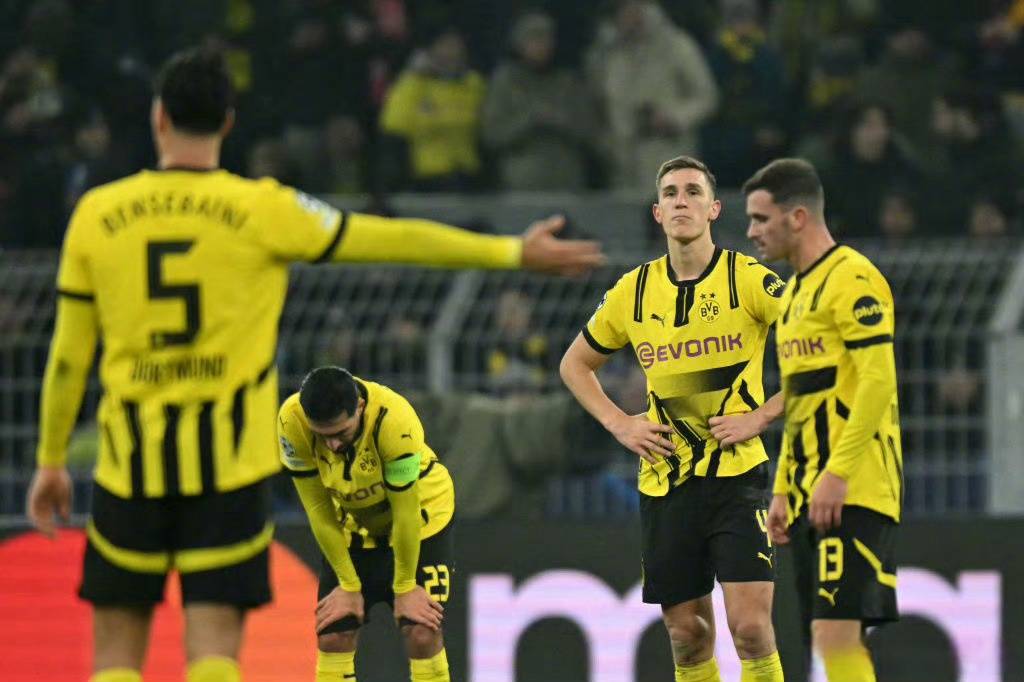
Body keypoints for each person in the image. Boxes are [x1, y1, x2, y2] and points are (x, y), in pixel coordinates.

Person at [24, 46, 603, 682]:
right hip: (227, 469)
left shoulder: (98, 215)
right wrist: (509, 253)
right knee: (213, 646)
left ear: (158, 117)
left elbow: (68, 357)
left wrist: (51, 459)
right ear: (228, 122)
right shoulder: (262, 209)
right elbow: (389, 237)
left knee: (116, 651)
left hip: (128, 464)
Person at [560, 155, 785, 682]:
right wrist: (621, 423)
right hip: (667, 479)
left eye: (692, 192)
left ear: (714, 209)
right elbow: (574, 365)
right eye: (670, 193)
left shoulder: (748, 279)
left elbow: (819, 352)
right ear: (658, 213)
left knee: (751, 629)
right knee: (687, 636)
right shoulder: (633, 291)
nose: (681, 201)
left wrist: (761, 416)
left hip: (736, 476)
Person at [743, 158, 903, 681]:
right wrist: (784, 488)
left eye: (760, 219)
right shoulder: (791, 296)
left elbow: (878, 382)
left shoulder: (852, 277)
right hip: (810, 490)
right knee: (826, 638)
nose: (751, 232)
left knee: (836, 636)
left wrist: (838, 473)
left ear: (797, 217)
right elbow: (799, 400)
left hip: (855, 487)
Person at [279, 367, 452, 682]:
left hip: (422, 518)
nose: (332, 445)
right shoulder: (291, 421)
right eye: (322, 435)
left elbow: (405, 513)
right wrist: (348, 584)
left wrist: (405, 586)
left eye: (340, 433)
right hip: (354, 525)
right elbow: (318, 508)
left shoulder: (395, 421)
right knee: (333, 636)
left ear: (359, 407)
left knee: (422, 632)